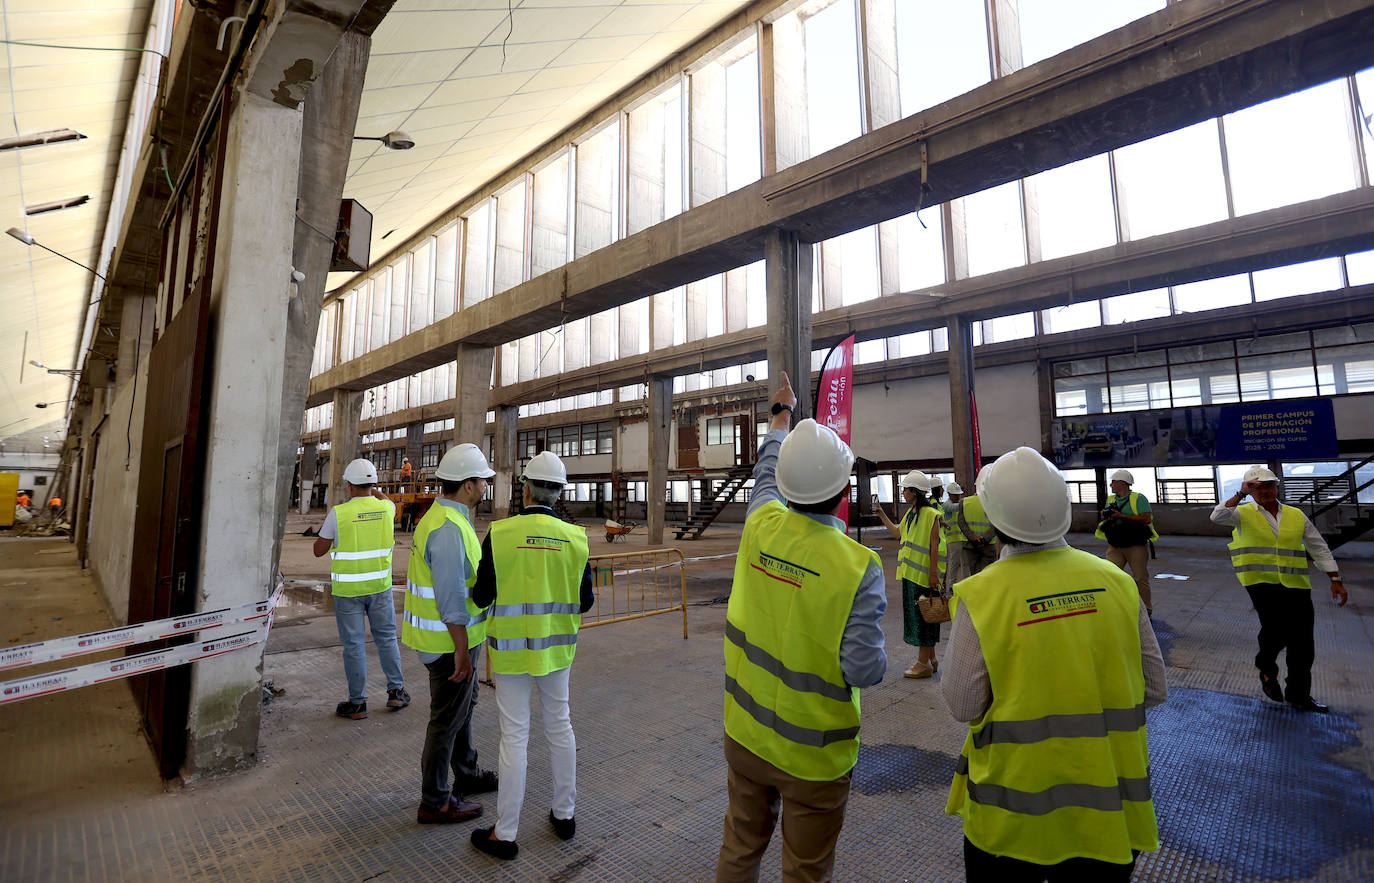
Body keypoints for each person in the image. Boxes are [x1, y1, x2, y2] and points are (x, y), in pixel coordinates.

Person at [942, 446, 1167, 882]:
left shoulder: (982, 593)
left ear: (993, 517)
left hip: (1013, 816)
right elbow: (1154, 688)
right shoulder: (1117, 583)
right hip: (1110, 809)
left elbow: (964, 705)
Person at [716, 372, 886, 883]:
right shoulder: (859, 566)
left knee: (740, 848)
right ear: (843, 490)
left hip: (745, 735)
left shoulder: (761, 525)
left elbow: (767, 474)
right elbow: (863, 669)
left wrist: (779, 418)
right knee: (806, 871)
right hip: (814, 755)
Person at [469, 451, 594, 861]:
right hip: (557, 653)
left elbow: (482, 595)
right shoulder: (577, 539)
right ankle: (565, 814)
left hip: (510, 656)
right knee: (561, 726)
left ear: (525, 489)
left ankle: (505, 834)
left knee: (514, 738)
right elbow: (586, 601)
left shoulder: (500, 534)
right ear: (558, 493)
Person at [402, 443, 499, 824]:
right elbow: (451, 598)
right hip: (448, 645)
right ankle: (435, 800)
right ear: (469, 485)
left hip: (457, 641)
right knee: (445, 721)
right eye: (483, 481)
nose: (486, 487)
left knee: (462, 710)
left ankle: (467, 774)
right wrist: (461, 649)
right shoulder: (447, 528)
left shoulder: (451, 518)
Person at [1211, 465, 1348, 713]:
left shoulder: (1296, 515)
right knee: (1277, 631)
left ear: (1276, 486)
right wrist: (1240, 494)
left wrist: (1334, 578)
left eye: (1268, 485)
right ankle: (1266, 668)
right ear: (1250, 490)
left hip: (1296, 584)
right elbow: (1217, 517)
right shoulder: (1241, 513)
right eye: (1258, 487)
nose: (1264, 490)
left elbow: (1318, 546)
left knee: (1303, 643)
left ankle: (1299, 695)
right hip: (1260, 582)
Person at [312, 458, 409, 720]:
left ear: (349, 485)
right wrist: (375, 492)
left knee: (354, 645)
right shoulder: (387, 509)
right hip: (379, 588)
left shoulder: (339, 513)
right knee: (387, 639)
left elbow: (318, 550)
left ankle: (357, 704)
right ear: (373, 483)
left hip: (348, 593)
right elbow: (385, 499)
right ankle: (396, 693)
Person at [874, 470, 943, 679]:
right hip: (909, 575)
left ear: (915, 492)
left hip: (922, 577)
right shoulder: (911, 513)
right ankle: (930, 657)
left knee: (923, 620)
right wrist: (881, 514)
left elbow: (934, 545)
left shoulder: (931, 514)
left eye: (905, 489)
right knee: (921, 617)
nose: (903, 492)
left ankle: (922, 664)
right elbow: (897, 533)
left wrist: (933, 574)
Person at [1095, 469, 1158, 615]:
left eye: (1113, 482)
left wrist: (1122, 515)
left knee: (1140, 577)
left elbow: (1146, 518)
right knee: (1110, 575)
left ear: (1122, 483)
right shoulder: (1111, 499)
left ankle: (1146, 610)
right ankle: (1115, 606)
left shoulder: (1138, 498)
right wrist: (1105, 515)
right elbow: (1107, 516)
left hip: (1135, 545)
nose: (1111, 485)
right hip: (1116, 544)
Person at [950, 469, 997, 582]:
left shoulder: (965, 502)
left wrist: (973, 538)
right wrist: (984, 539)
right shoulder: (994, 503)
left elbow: (961, 523)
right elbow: (996, 524)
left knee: (973, 577)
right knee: (988, 577)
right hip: (988, 546)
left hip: (970, 546)